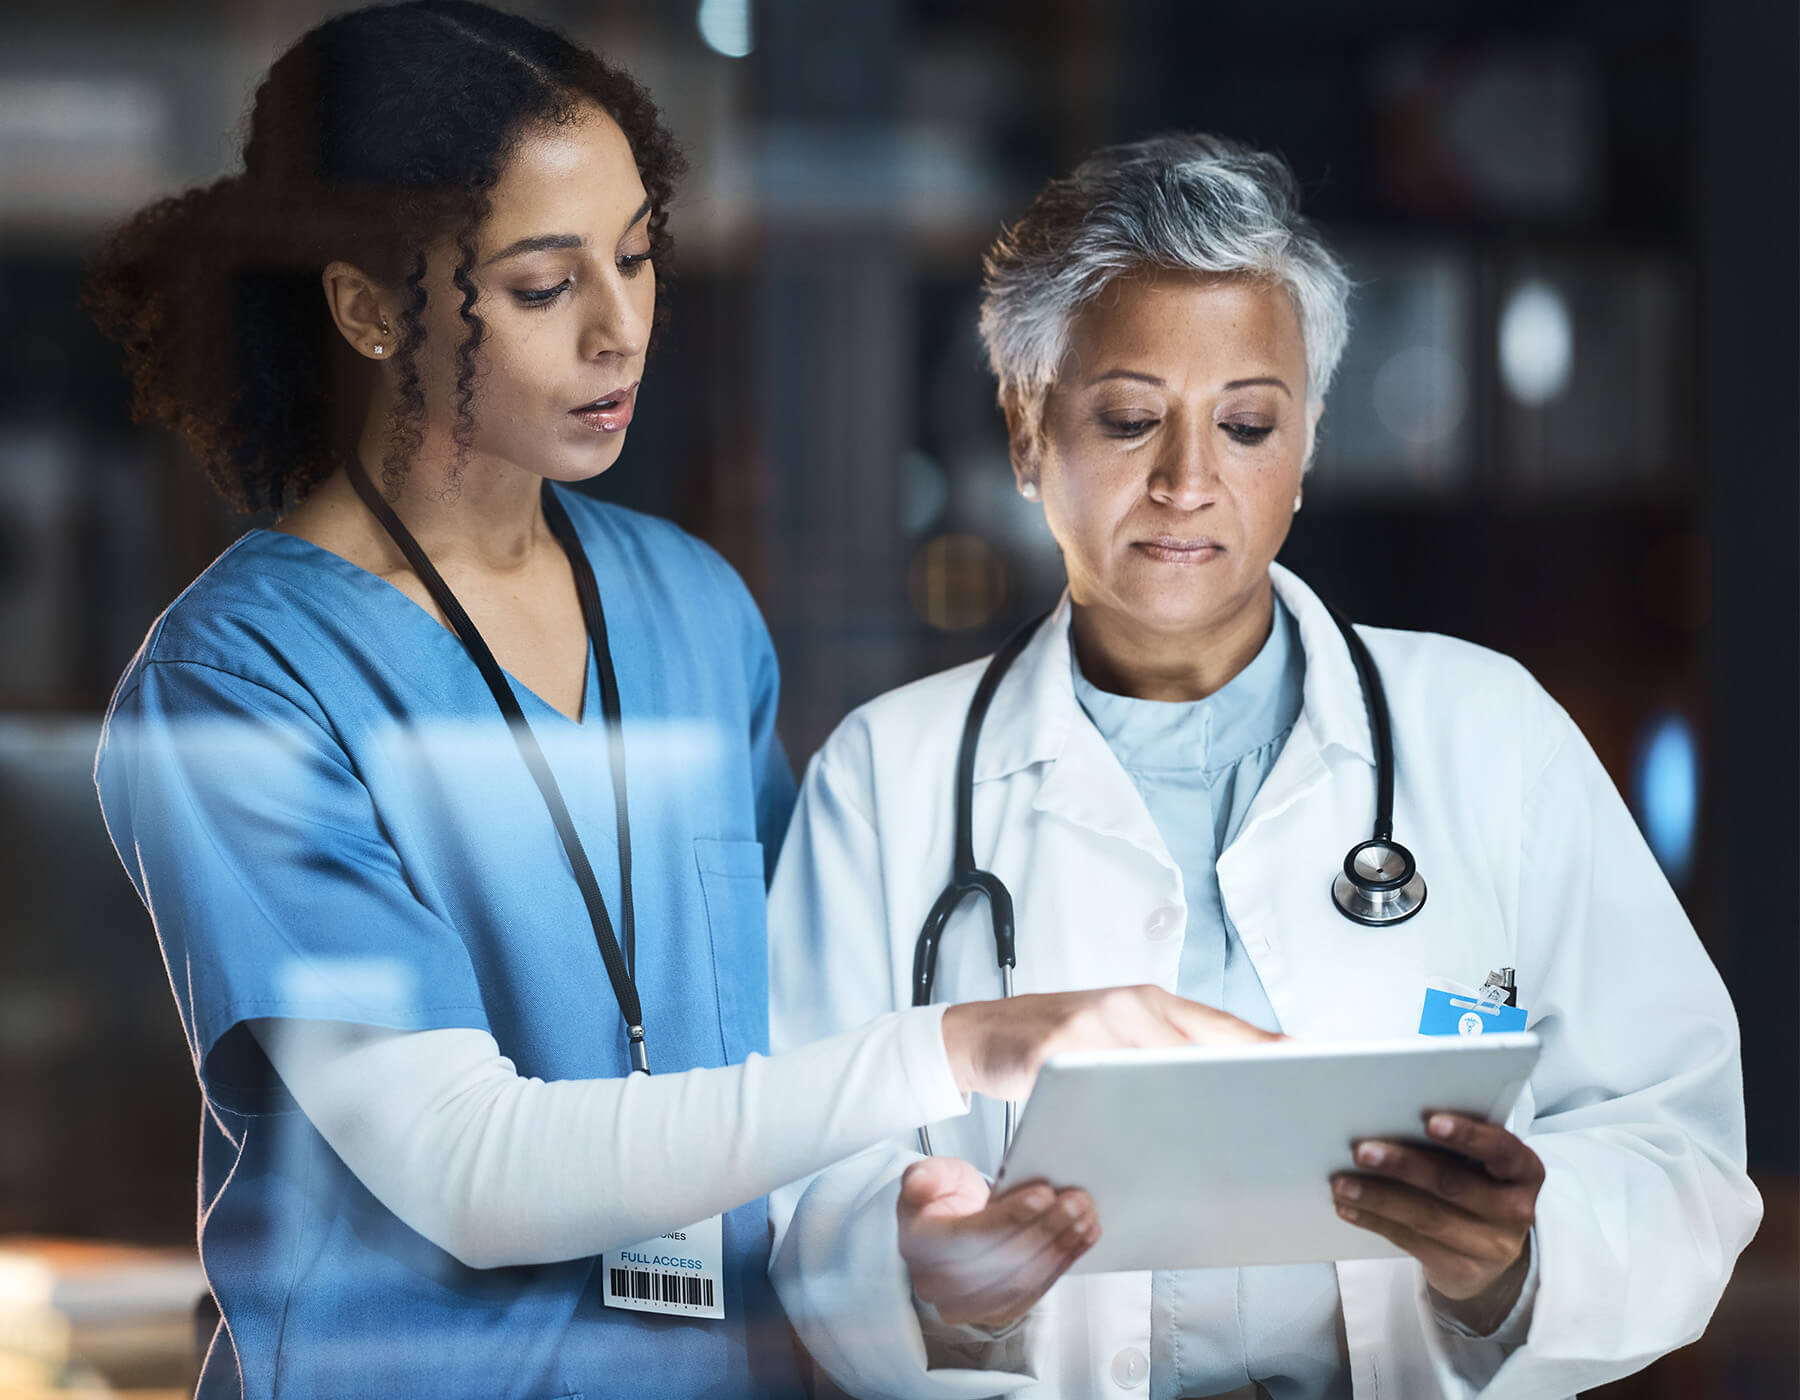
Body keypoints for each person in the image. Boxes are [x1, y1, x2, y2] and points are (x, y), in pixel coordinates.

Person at [86, 14, 1270, 1398]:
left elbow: (795, 1057)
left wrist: (919, 1241)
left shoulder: (690, 611)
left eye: (638, 256)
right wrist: (965, 1044)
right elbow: (464, 1169)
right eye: (541, 285)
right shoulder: (242, 685)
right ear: (368, 309)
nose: (619, 327)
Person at [765, 133, 1762, 1400]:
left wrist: (1510, 1262)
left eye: (1246, 424)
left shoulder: (1487, 731)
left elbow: (1676, 1141)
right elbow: (804, 1188)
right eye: (1130, 419)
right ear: (1025, 431)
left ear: (1306, 448)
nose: (1189, 482)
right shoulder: (887, 780)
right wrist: (932, 1286)